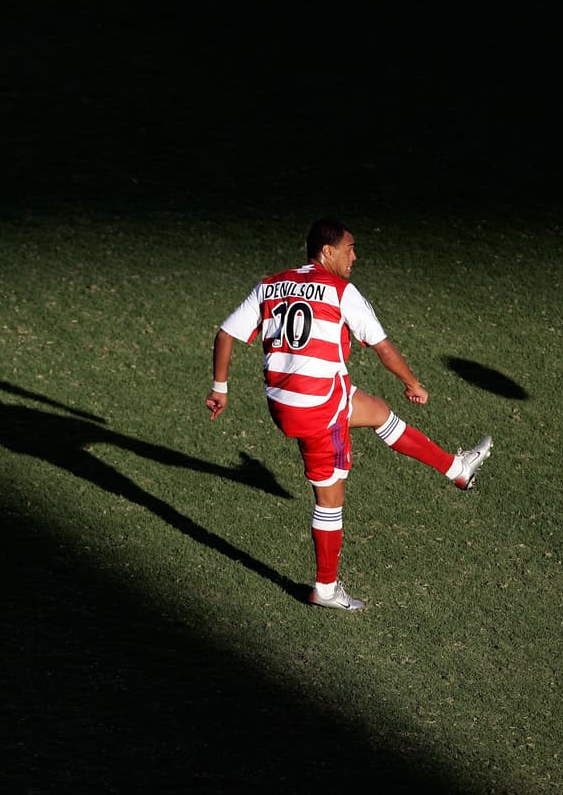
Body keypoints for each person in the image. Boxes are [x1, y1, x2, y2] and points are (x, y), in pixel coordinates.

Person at [204, 219, 491, 612]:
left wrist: (220, 388)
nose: (354, 256)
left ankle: (456, 468)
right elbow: (383, 347)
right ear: (328, 252)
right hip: (318, 408)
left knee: (377, 411)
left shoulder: (270, 284)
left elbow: (225, 334)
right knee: (330, 498)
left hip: (284, 402)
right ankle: (325, 588)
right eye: (350, 248)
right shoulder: (341, 290)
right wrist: (412, 383)